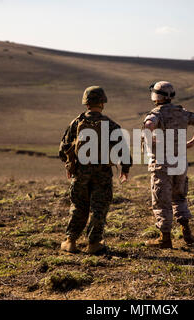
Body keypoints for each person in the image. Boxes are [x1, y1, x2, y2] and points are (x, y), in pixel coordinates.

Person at [59, 86, 131, 254]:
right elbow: (123, 150)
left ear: (86, 103)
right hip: (102, 174)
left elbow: (64, 148)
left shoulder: (76, 122)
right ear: (102, 103)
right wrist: (125, 169)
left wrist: (69, 165)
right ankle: (94, 243)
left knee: (78, 206)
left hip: (80, 172)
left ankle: (70, 241)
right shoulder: (111, 125)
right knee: (99, 208)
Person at [143, 81, 194, 249]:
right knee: (179, 197)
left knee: (161, 200)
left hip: (162, 164)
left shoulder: (155, 114)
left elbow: (149, 126)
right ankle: (187, 234)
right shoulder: (183, 113)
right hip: (179, 162)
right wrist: (192, 142)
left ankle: (164, 238)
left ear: (156, 96)